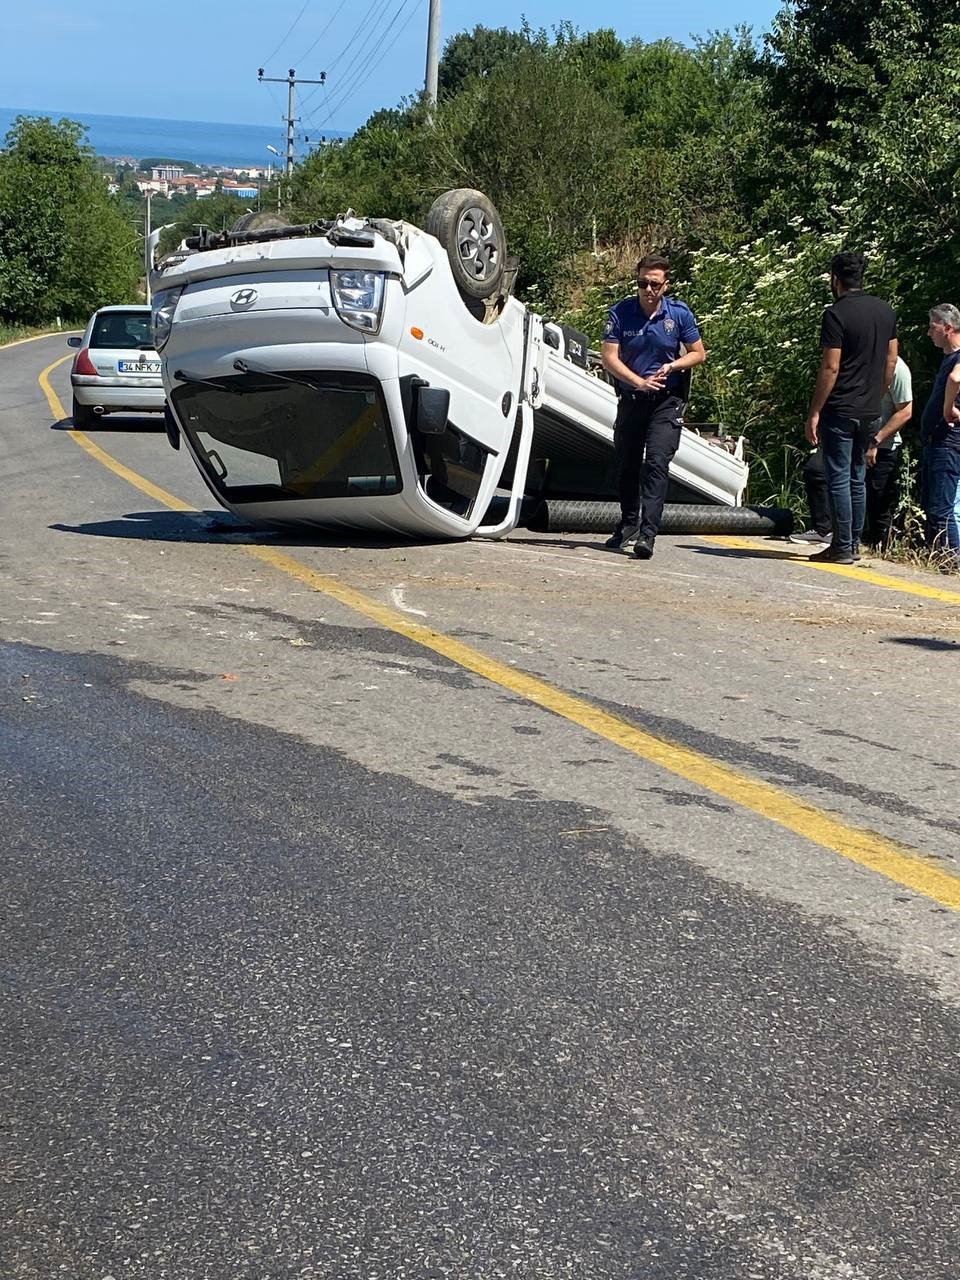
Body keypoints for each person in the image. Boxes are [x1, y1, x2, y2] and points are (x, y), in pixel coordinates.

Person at [601, 255, 707, 559]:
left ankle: (648, 534)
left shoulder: (679, 314)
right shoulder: (621, 312)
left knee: (657, 462)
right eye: (642, 283)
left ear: (665, 285)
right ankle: (629, 522)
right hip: (634, 397)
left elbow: (698, 354)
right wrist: (638, 382)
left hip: (666, 400)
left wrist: (673, 366)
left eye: (654, 284)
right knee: (627, 463)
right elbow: (610, 357)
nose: (648, 289)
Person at [804, 251, 898, 565]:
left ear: (835, 279)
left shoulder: (835, 314)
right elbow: (891, 360)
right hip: (871, 409)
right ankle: (854, 543)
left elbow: (831, 367)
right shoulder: (886, 312)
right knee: (858, 477)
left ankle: (842, 545)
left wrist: (815, 410)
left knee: (839, 477)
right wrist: (879, 392)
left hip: (841, 407)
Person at [792, 355, 912, 549]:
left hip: (881, 445)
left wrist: (876, 441)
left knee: (877, 500)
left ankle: (877, 545)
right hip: (849, 436)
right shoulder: (859, 360)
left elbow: (905, 412)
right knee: (817, 471)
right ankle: (826, 530)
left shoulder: (898, 369)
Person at [920, 303, 960, 570]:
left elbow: (956, 380)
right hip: (938, 442)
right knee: (938, 505)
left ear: (947, 327)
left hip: (947, 443)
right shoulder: (949, 357)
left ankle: (951, 561)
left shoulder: (958, 358)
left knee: (942, 508)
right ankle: (941, 558)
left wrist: (948, 409)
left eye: (933, 327)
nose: (928, 333)